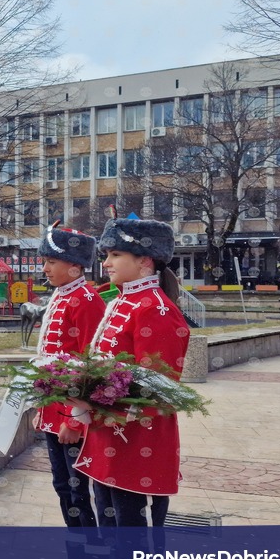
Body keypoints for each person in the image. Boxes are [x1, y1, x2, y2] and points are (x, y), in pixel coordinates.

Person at [74, 217, 190, 528]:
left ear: (144, 261)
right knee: (110, 527)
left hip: (137, 440)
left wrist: (99, 402)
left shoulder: (156, 309)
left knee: (133, 534)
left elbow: (159, 386)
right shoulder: (123, 301)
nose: (106, 263)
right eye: (106, 255)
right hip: (108, 434)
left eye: (115, 255)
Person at [32, 223, 104, 530]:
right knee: (62, 485)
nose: (45, 268)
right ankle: (77, 545)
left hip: (73, 413)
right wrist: (42, 407)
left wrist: (75, 419)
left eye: (51, 261)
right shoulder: (62, 295)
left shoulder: (86, 300)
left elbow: (92, 364)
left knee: (78, 489)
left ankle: (90, 548)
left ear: (74, 266)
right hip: (54, 409)